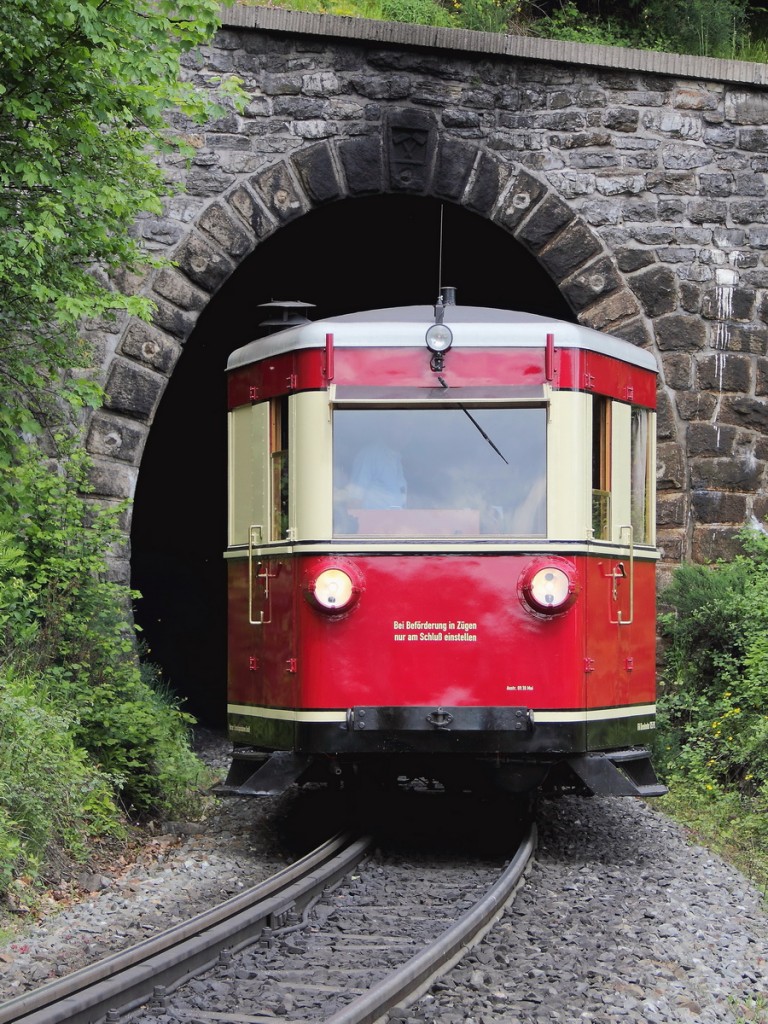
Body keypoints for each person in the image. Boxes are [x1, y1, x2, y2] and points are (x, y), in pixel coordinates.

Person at [349, 441, 407, 509]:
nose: (406, 437)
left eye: (409, 434)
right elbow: (355, 499)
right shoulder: (370, 454)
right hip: (372, 515)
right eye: (402, 433)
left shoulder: (397, 458)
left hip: (397, 515)